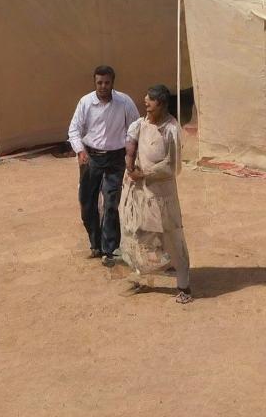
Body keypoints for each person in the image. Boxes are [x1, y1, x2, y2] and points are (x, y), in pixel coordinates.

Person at [121, 84, 192, 304]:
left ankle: (184, 287)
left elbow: (172, 167)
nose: (146, 105)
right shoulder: (140, 124)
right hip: (139, 192)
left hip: (162, 195)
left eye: (150, 102)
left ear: (160, 104)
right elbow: (130, 146)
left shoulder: (171, 129)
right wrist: (130, 166)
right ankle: (143, 277)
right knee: (136, 232)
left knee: (171, 236)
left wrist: (144, 174)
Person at [68, 65, 139, 265]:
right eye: (99, 82)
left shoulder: (124, 102)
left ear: (113, 83)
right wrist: (80, 150)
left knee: (110, 204)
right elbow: (73, 130)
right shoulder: (85, 102)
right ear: (94, 82)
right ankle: (95, 245)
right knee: (87, 203)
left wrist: (130, 154)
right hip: (90, 158)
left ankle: (109, 249)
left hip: (116, 159)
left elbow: (134, 129)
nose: (103, 86)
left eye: (107, 83)